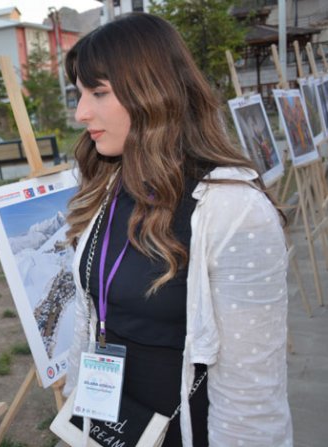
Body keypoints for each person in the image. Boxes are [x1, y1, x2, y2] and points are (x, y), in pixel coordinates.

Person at [63, 13, 291, 446]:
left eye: (98, 93)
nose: (80, 112)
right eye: (79, 94)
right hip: (110, 421)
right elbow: (90, 318)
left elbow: (253, 393)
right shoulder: (110, 182)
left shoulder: (233, 210)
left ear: (152, 93)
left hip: (185, 431)